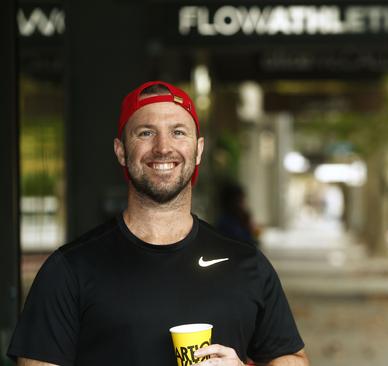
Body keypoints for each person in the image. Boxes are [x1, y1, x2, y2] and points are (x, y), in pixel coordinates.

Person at [7, 81, 309, 366]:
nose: (163, 147)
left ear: (198, 149)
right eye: (145, 133)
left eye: (178, 132)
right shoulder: (69, 270)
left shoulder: (247, 265)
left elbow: (293, 358)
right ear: (121, 151)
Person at [215, 181, 258, 246]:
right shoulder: (225, 222)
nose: (242, 205)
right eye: (239, 201)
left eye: (242, 201)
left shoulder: (242, 218)